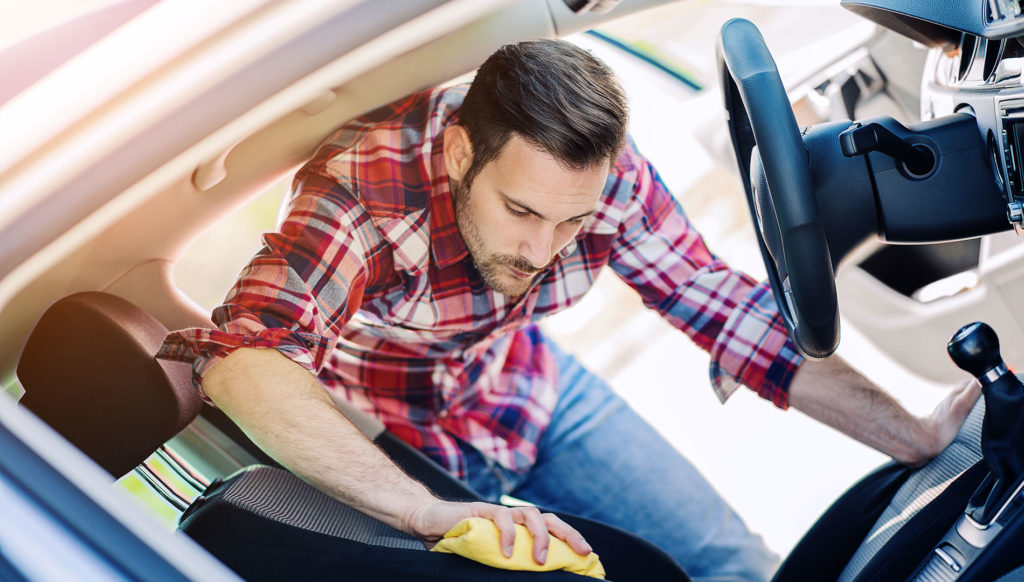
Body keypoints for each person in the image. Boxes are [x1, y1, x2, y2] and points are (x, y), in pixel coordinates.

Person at [159, 39, 980, 580]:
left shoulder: (607, 179)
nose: (545, 247)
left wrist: (910, 433)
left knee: (733, 568)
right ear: (457, 155)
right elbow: (242, 360)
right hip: (391, 447)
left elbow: (725, 308)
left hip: (533, 396)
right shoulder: (366, 196)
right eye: (520, 212)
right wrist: (422, 508)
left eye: (572, 222)